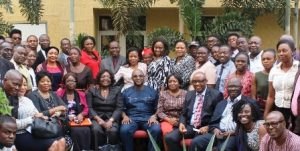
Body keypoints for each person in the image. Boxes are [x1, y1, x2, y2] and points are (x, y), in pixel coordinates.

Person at [189, 77, 258, 151]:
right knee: (195, 142)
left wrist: (233, 132)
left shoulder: (249, 102)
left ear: (241, 88)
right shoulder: (221, 103)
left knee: (224, 148)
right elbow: (213, 122)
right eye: (230, 87)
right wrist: (215, 129)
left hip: (235, 135)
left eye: (235, 86)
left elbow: (254, 123)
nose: (232, 89)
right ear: (227, 88)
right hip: (217, 133)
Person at [165, 72, 223, 151]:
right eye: (194, 81)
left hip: (205, 128)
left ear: (206, 81)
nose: (197, 84)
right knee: (169, 138)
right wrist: (182, 123)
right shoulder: (189, 94)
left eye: (200, 81)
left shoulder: (216, 95)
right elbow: (184, 113)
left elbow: (218, 116)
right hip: (190, 127)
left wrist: (208, 127)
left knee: (196, 142)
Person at [15, 75, 65, 151]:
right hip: (22, 133)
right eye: (20, 85)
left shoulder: (26, 100)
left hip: (35, 130)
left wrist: (44, 117)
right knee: (54, 144)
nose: (23, 87)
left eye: (25, 85)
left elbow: (38, 114)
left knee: (62, 141)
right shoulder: (12, 100)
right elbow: (11, 124)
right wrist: (31, 119)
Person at [120, 69, 161, 151]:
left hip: (148, 119)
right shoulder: (126, 92)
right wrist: (124, 116)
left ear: (144, 78)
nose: (138, 78)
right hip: (131, 118)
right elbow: (121, 108)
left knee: (156, 129)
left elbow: (159, 107)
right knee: (124, 130)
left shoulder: (152, 91)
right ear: (132, 78)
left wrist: (154, 116)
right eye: (135, 76)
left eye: (140, 76)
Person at [264, 39, 299, 125]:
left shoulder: (298, 68)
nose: (281, 53)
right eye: (279, 51)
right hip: (278, 110)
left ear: (293, 51)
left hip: (296, 111)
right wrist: (266, 113)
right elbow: (271, 96)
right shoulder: (274, 70)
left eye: (284, 50)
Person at [87, 70, 123, 150]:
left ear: (111, 79)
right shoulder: (92, 90)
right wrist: (99, 120)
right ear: (99, 78)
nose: (105, 79)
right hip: (96, 117)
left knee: (112, 130)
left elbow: (119, 108)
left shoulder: (116, 90)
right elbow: (89, 107)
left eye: (108, 77)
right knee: (96, 130)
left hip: (111, 117)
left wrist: (111, 120)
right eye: (103, 76)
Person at [56, 73, 91, 151]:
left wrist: (81, 114)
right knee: (75, 131)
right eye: (68, 81)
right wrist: (67, 116)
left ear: (76, 82)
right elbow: (56, 108)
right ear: (64, 83)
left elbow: (86, 108)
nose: (71, 83)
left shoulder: (81, 94)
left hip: (78, 120)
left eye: (73, 81)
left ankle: (85, 149)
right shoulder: (59, 94)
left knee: (87, 130)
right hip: (64, 120)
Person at [157, 74, 187, 150]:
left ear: (179, 83)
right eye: (170, 81)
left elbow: (187, 110)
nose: (172, 83)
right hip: (167, 119)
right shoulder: (163, 94)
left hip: (183, 120)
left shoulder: (186, 93)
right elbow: (159, 111)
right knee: (166, 132)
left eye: (174, 81)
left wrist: (180, 120)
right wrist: (169, 120)